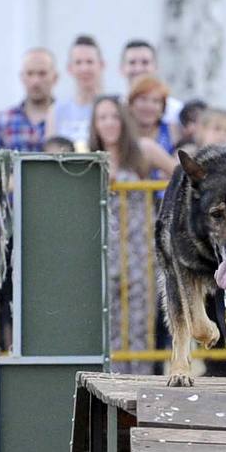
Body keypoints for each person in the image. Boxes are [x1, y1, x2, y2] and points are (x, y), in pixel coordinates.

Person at [90, 96, 174, 374]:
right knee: (108, 326)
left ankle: (139, 393)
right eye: (102, 117)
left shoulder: (142, 149)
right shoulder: (88, 157)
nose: (109, 123)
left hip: (139, 252)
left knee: (139, 327)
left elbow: (181, 174)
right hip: (103, 250)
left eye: (114, 116)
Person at [0, 48, 55, 152]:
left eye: (42, 73)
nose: (35, 81)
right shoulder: (3, 120)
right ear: (21, 77)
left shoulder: (65, 118)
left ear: (55, 77)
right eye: (30, 73)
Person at [53, 35, 106, 150]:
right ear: (69, 68)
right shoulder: (56, 111)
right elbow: (50, 152)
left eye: (89, 62)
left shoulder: (115, 107)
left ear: (101, 65)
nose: (84, 69)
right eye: (78, 62)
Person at [119, 39, 184, 125]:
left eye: (145, 62)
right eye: (132, 63)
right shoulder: (116, 110)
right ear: (122, 69)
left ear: (156, 67)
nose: (138, 69)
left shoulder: (175, 111)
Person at [127, 74, 175, 155]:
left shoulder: (173, 131)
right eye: (143, 99)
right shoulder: (121, 132)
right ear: (131, 103)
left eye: (156, 101)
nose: (149, 106)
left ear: (163, 107)